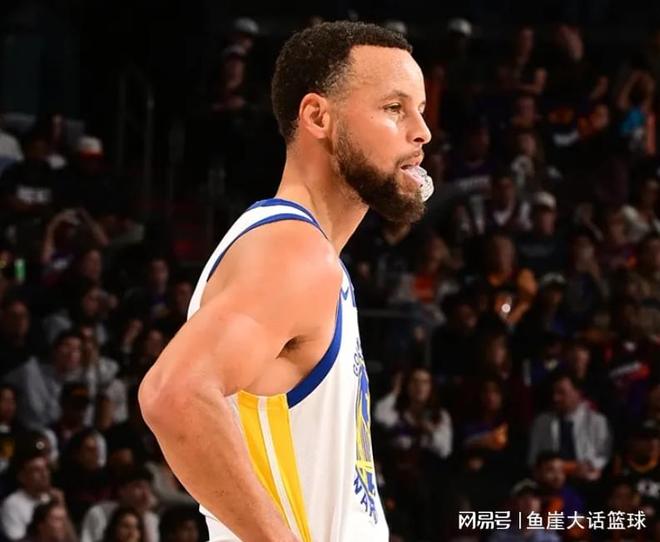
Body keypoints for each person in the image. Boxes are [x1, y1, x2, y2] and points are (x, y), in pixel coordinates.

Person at [139, 20, 432, 542]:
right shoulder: (293, 253)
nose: (422, 131)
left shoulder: (310, 255)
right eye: (394, 108)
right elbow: (174, 394)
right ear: (318, 116)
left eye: (421, 110)